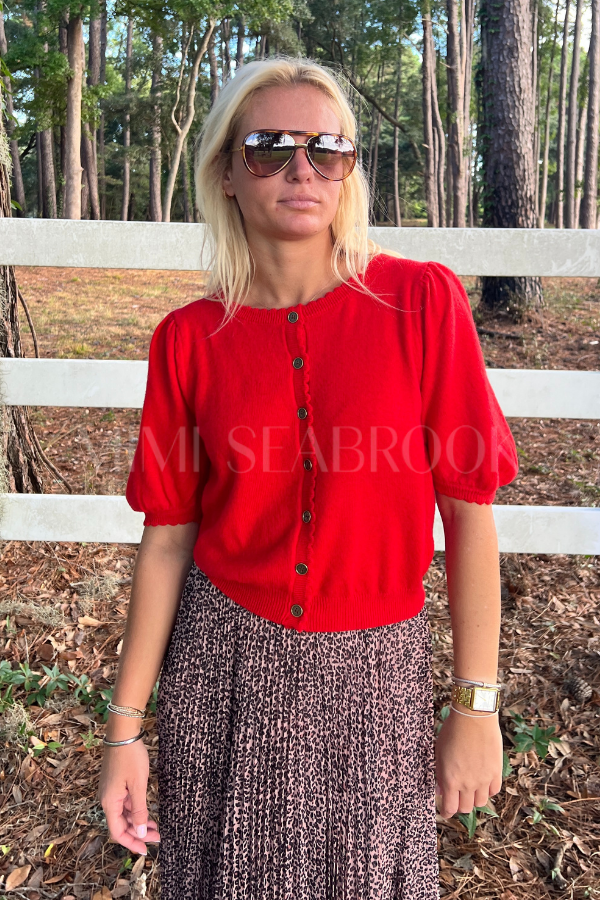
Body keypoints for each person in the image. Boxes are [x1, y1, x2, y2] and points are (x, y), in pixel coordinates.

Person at [98, 56, 519, 899]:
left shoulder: (421, 303)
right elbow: (168, 540)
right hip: (225, 671)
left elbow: (470, 514)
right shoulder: (187, 341)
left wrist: (475, 704)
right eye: (270, 147)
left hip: (375, 676)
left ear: (349, 169)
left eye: (328, 149)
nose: (303, 169)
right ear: (225, 170)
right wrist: (124, 732)